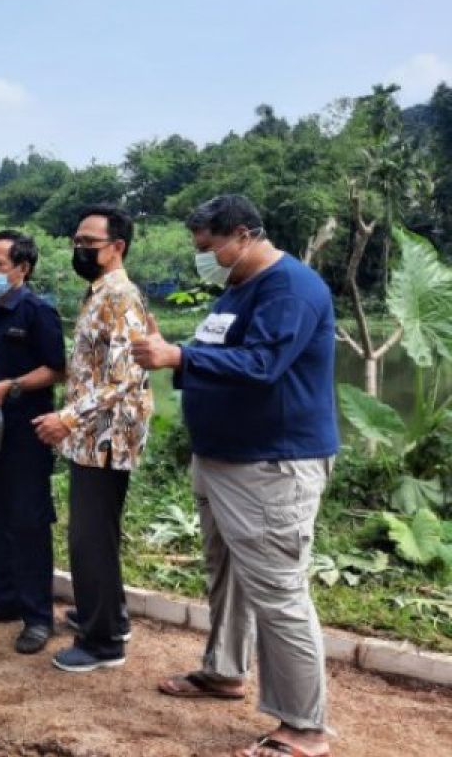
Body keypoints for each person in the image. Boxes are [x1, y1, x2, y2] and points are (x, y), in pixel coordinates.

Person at [132, 195, 337, 757]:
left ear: (242, 234)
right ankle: (223, 672)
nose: (206, 257)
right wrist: (178, 353)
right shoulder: (238, 287)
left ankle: (304, 727)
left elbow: (263, 364)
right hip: (224, 460)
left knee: (278, 591)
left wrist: (178, 357)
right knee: (226, 574)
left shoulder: (289, 288)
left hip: (270, 465)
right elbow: (216, 349)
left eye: (209, 247)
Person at [33, 205, 153, 672]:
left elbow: (123, 377)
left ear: (117, 247)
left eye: (90, 243)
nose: (79, 249)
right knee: (96, 533)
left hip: (107, 435)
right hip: (93, 434)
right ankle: (109, 618)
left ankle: (103, 644)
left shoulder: (119, 296)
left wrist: (67, 416)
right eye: (77, 241)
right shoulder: (100, 293)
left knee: (89, 538)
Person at [0, 230, 66, 654]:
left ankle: (38, 617)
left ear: (22, 268)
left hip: (27, 432)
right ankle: (1, 599)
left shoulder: (37, 311)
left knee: (28, 522)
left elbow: (57, 369)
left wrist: (9, 386)